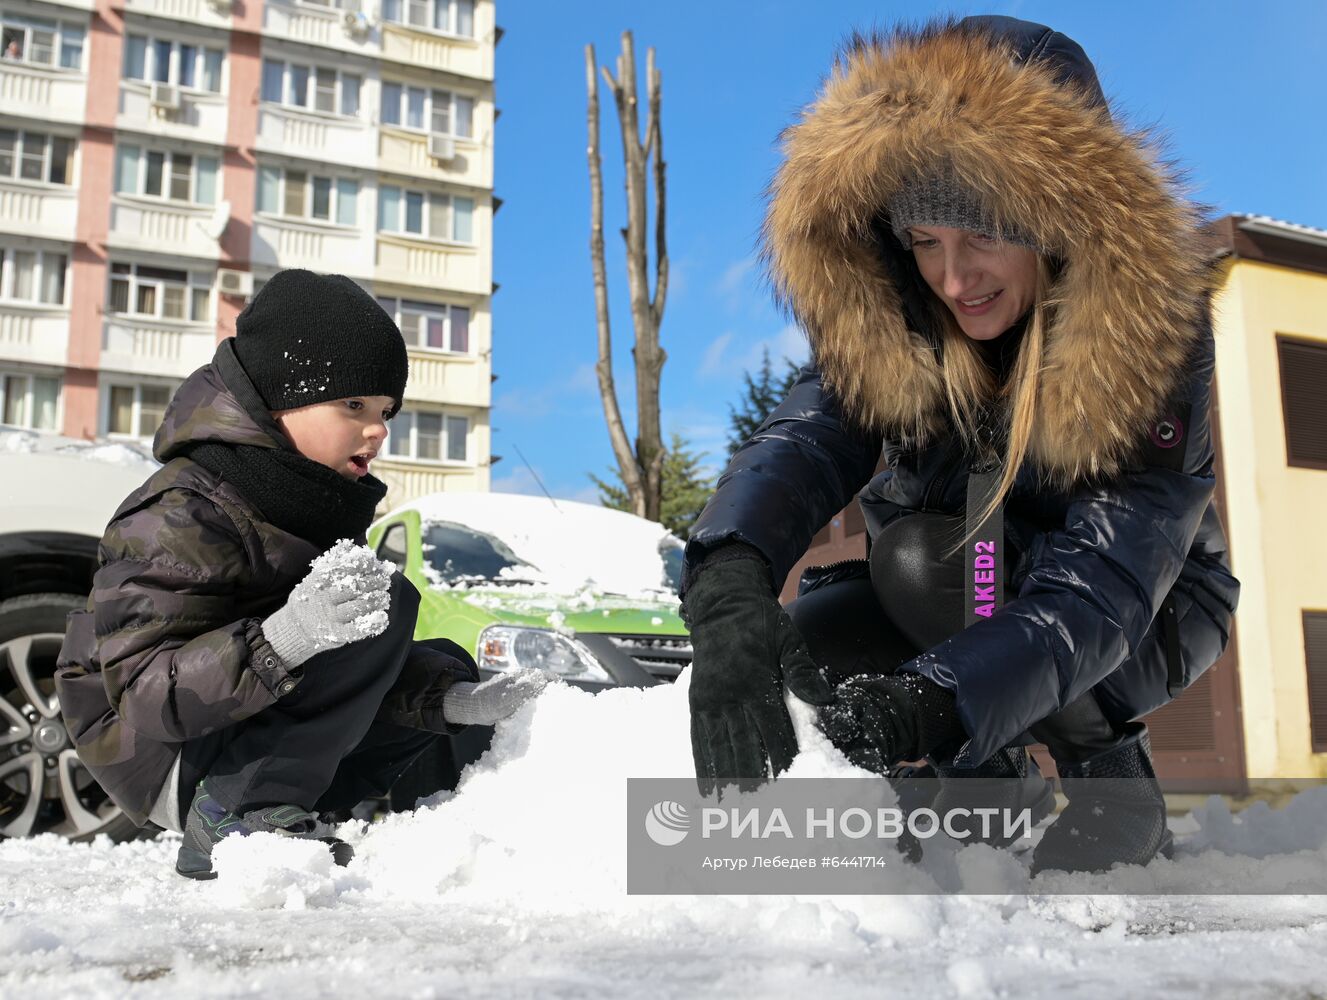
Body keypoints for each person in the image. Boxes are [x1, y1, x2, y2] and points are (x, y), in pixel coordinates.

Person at [680, 16, 1240, 874]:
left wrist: (927, 703)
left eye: (982, 235)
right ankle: (991, 782)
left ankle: (1110, 776)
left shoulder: (1149, 334)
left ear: (1057, 219)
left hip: (1144, 608)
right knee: (818, 636)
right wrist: (727, 575)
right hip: (966, 582)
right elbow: (805, 437)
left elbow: (1102, 580)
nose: (953, 278)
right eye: (926, 242)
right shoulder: (902, 315)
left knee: (923, 564)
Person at [55, 269, 548, 879]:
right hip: (163, 757)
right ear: (280, 397)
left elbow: (343, 669)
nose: (379, 429)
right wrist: (286, 637)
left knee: (423, 646)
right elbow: (146, 696)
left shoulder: (309, 500)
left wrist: (455, 702)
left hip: (231, 741)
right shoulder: (184, 511)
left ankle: (440, 830)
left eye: (387, 409)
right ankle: (236, 820)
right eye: (354, 404)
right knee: (380, 602)